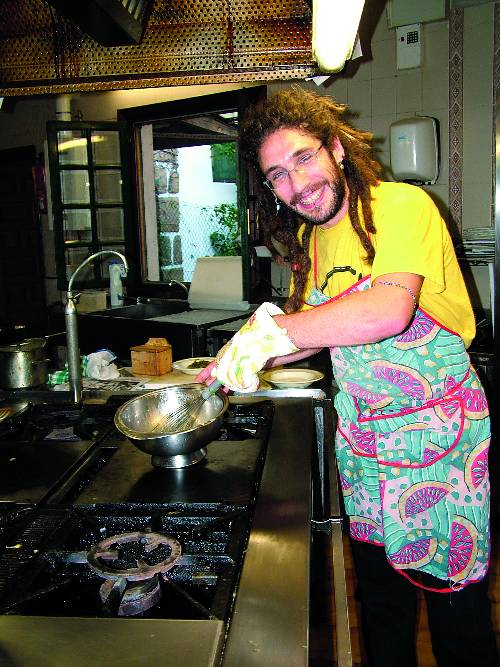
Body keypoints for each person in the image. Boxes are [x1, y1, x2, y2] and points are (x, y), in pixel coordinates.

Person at [198, 86, 498, 666]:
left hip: (438, 442)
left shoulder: (400, 205)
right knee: (381, 606)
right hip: (364, 445)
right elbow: (322, 330)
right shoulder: (311, 239)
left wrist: (279, 332)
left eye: (304, 157)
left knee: (455, 613)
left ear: (335, 148)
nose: (297, 183)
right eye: (278, 175)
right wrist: (245, 357)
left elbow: (388, 310)